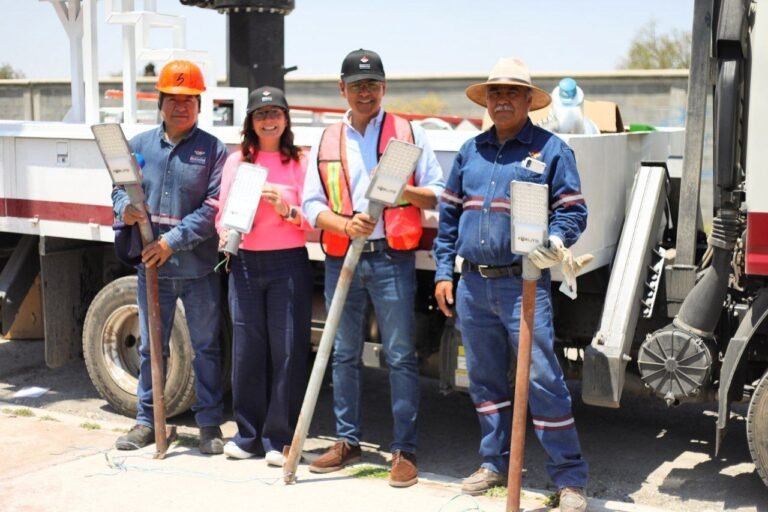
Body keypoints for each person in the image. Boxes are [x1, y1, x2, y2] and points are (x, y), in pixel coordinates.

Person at [432, 57, 589, 512]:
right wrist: (444, 272)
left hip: (525, 284)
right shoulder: (470, 151)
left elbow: (573, 211)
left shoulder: (552, 150)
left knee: (542, 381)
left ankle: (570, 479)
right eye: (495, 93)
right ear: (487, 101)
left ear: (527, 101)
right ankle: (493, 464)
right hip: (472, 286)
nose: (503, 99)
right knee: (482, 379)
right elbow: (447, 220)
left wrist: (554, 243)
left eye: (512, 93)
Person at [302, 48, 444, 488]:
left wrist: (407, 189)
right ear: (342, 89)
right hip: (342, 257)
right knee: (343, 353)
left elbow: (438, 193)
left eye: (373, 84)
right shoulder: (326, 139)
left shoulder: (408, 133)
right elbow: (310, 205)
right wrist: (344, 224)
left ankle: (403, 450)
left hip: (390, 258)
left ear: (384, 88)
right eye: (357, 85)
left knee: (400, 355)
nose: (365, 92)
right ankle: (348, 441)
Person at [112, 60, 227, 455]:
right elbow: (118, 188)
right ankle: (148, 420)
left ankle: (209, 424)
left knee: (206, 346)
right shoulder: (140, 145)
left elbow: (214, 208)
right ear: (160, 103)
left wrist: (170, 243)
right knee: (150, 347)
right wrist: (123, 208)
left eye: (189, 101)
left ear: (199, 105)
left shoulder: (213, 150)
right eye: (174, 100)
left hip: (197, 269)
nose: (182, 107)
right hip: (151, 268)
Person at [215, 86, 312, 466]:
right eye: (261, 114)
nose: (268, 120)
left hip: (288, 263)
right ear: (250, 122)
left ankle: (279, 438)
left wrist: (286, 208)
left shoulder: (299, 162)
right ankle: (247, 435)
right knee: (247, 350)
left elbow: (314, 217)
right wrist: (225, 231)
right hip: (245, 265)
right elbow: (221, 213)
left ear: (286, 119)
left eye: (275, 113)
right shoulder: (237, 161)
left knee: (287, 350)